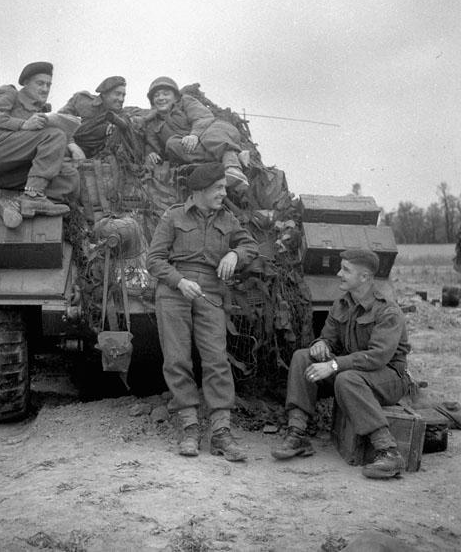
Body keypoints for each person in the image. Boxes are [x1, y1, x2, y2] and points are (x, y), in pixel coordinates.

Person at [146, 162, 258, 461]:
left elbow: (251, 246)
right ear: (200, 191)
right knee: (177, 357)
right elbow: (154, 260)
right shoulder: (173, 216)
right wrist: (179, 282)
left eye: (223, 187)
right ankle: (189, 427)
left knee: (216, 359)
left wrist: (235, 253)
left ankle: (221, 432)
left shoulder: (229, 219)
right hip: (174, 289)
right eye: (218, 188)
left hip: (211, 290)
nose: (224, 193)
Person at [271, 249, 411, 479]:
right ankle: (297, 434)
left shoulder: (388, 311)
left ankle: (388, 450)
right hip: (354, 372)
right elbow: (329, 337)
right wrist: (321, 345)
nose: (338, 273)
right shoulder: (342, 304)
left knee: (347, 379)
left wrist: (334, 365)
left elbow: (377, 357)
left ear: (364, 277)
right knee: (302, 357)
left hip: (389, 378)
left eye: (345, 269)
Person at [0, 61, 79, 228]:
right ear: (26, 83)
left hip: (9, 171)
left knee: (68, 177)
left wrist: (71, 144)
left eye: (48, 85)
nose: (45, 89)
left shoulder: (41, 110)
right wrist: (23, 124)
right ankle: (32, 196)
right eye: (40, 83)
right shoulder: (10, 93)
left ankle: (12, 204)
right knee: (55, 135)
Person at [144, 77, 249, 191]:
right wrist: (151, 152)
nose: (161, 98)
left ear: (175, 97)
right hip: (191, 149)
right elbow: (152, 143)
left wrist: (194, 135)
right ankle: (231, 156)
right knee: (172, 144)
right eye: (156, 95)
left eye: (165, 94)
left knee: (214, 131)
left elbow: (202, 118)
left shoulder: (186, 101)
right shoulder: (153, 124)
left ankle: (232, 166)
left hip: (209, 132)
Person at [59, 76, 145, 159]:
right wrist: (72, 145)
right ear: (104, 94)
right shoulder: (83, 101)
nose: (121, 99)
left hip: (99, 155)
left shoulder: (123, 113)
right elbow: (60, 121)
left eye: (123, 95)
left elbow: (146, 114)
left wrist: (129, 121)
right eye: (117, 94)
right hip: (72, 146)